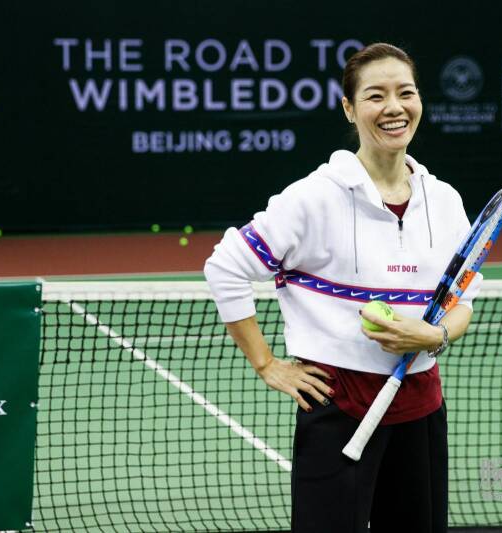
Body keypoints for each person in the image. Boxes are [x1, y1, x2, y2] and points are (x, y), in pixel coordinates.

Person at [204, 43, 481, 533]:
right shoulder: (313, 198)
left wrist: (435, 336)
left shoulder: (444, 201)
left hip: (420, 404)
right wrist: (266, 364)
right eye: (376, 96)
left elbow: (463, 299)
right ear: (350, 109)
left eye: (406, 93)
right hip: (340, 406)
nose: (394, 107)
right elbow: (226, 266)